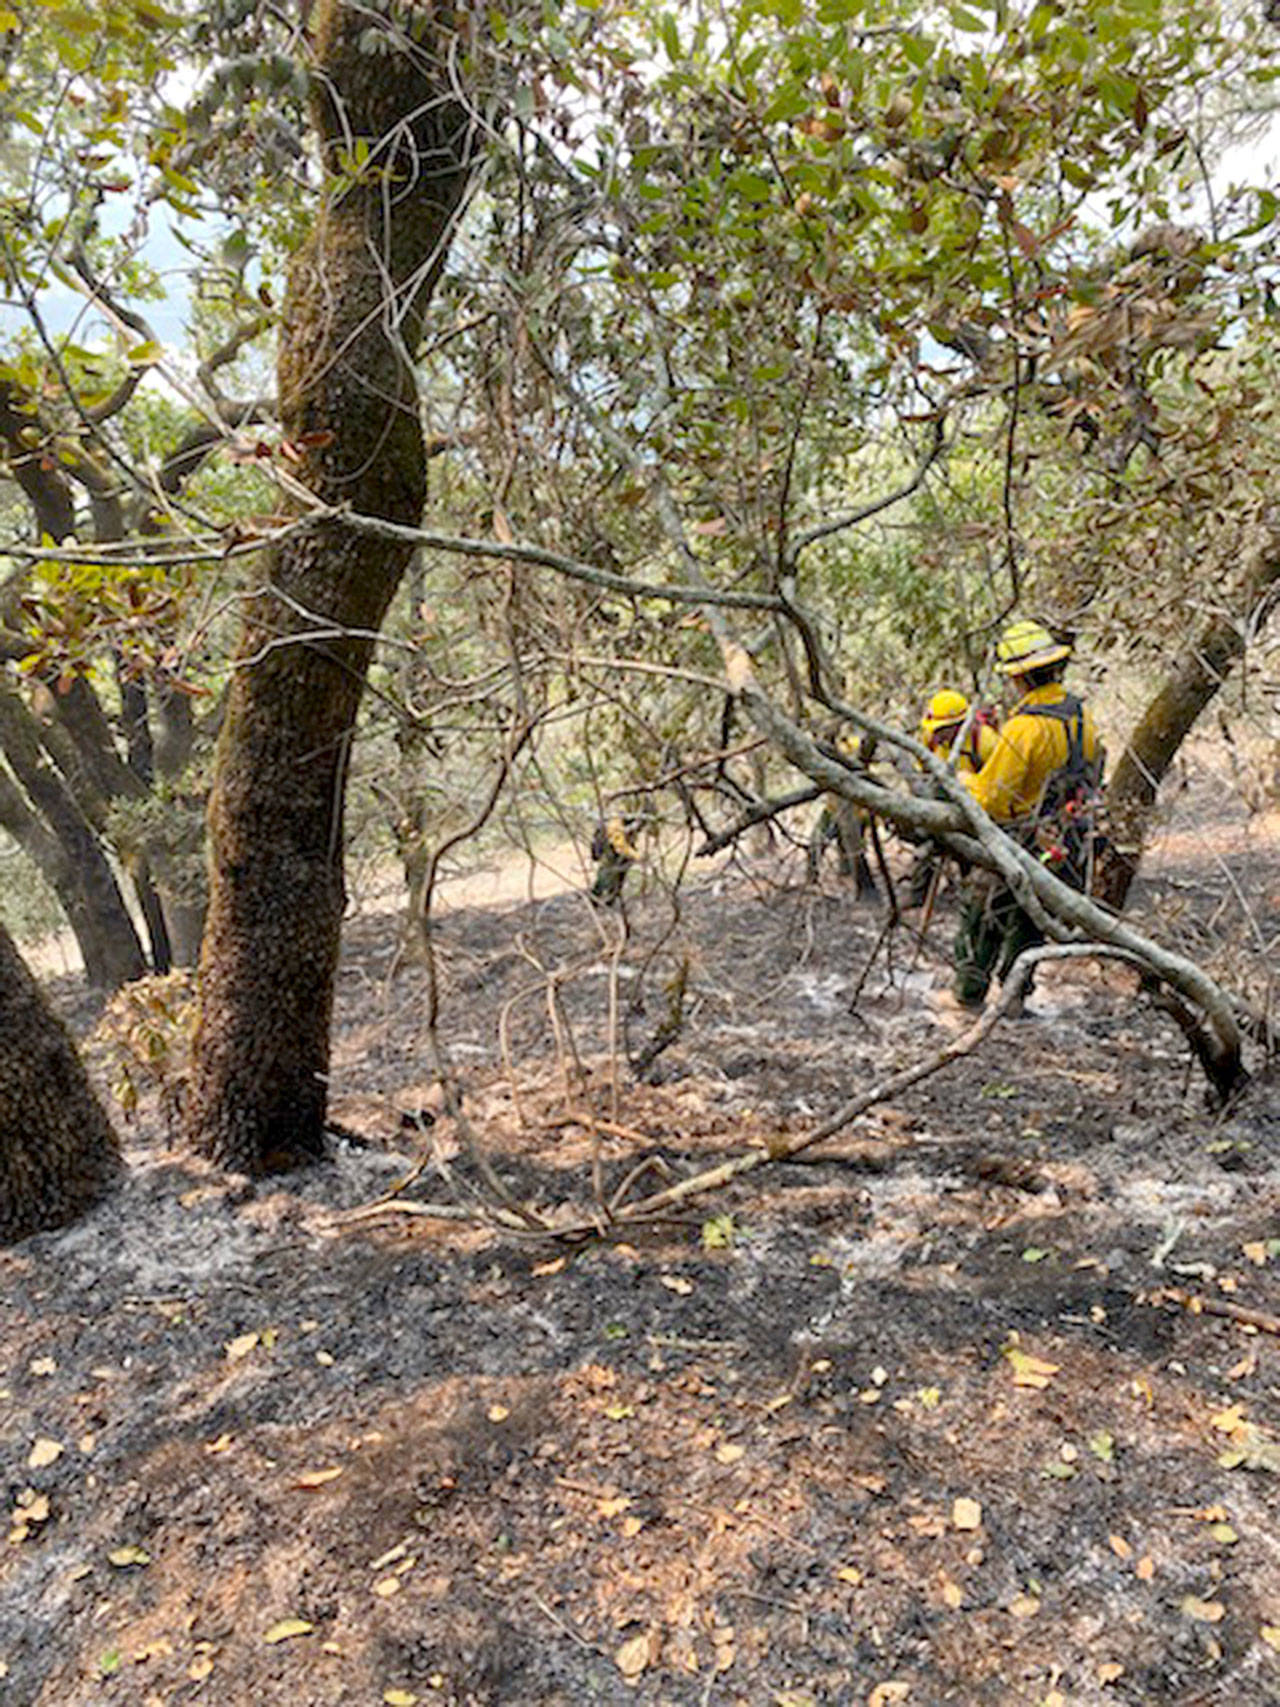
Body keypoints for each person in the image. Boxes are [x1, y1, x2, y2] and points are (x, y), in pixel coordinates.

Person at [950, 619, 1102, 1012]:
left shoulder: (1024, 728)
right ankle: (1015, 995)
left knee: (985, 914)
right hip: (1065, 839)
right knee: (1032, 920)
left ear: (1018, 677)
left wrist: (962, 779)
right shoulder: (1081, 716)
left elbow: (993, 799)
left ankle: (968, 995)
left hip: (1015, 838)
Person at [904, 689, 1000, 908]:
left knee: (973, 859)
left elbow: (997, 787)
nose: (936, 736)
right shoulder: (931, 740)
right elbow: (922, 776)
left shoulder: (985, 741)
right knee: (926, 845)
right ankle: (918, 895)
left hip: (978, 809)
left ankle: (972, 895)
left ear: (959, 725)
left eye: (941, 731)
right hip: (942, 805)